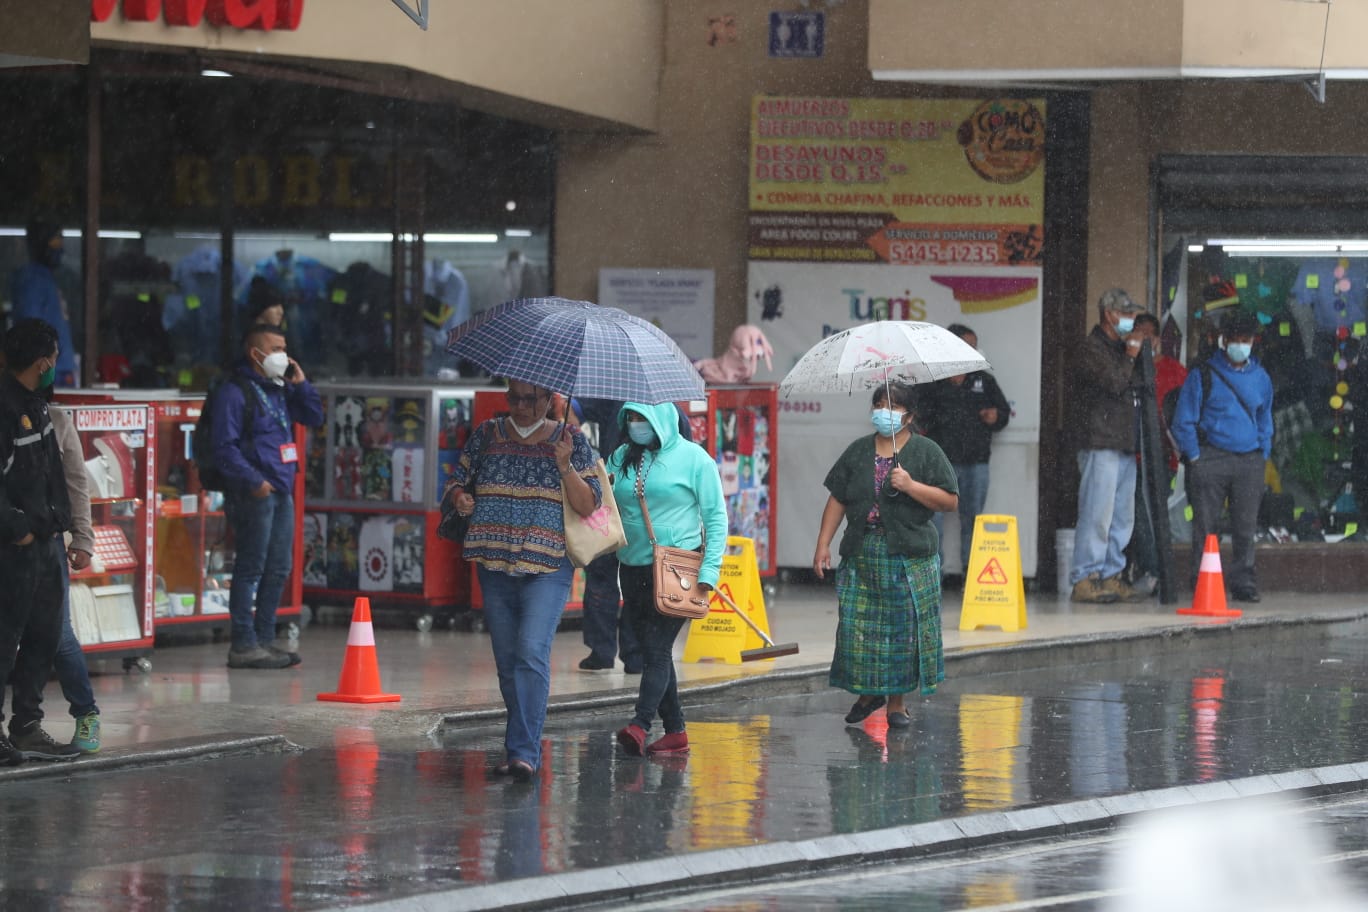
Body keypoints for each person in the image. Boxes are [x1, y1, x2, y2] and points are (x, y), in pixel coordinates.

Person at [445, 380, 602, 781]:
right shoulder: (487, 435)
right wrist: (460, 497)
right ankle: (522, 744)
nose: (520, 407)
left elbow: (589, 504)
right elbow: (456, 481)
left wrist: (565, 465)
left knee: (531, 651)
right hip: (492, 561)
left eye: (530, 400)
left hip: (548, 564)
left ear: (549, 400)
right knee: (506, 662)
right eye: (513, 398)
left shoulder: (571, 440)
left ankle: (523, 753)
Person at [811, 382, 959, 730]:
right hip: (863, 551)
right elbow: (838, 498)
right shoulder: (858, 451)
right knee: (858, 627)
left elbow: (950, 500)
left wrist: (911, 486)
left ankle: (897, 704)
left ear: (909, 414)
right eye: (878, 404)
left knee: (901, 631)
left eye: (892, 406)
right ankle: (868, 693)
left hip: (909, 555)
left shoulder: (926, 451)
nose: (884, 411)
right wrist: (823, 544)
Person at [609, 401, 727, 757]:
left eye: (641, 418)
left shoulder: (695, 460)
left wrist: (709, 571)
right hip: (632, 567)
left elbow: (716, 518)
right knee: (651, 651)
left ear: (661, 419)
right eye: (629, 418)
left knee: (658, 650)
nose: (635, 425)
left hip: (678, 570)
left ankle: (640, 724)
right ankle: (675, 730)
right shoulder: (620, 456)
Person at [210, 323, 323, 669]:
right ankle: (243, 643)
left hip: (282, 489)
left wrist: (301, 386)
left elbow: (315, 416)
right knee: (251, 567)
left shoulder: (279, 389)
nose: (283, 356)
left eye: (284, 348)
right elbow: (223, 447)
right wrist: (255, 481)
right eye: (275, 349)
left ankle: (264, 639)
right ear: (255, 353)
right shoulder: (234, 392)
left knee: (279, 568)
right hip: (255, 491)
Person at [0, 318, 77, 763]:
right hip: (14, 549)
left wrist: (63, 525)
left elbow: (53, 473)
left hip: (47, 543)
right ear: (44, 360)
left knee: (44, 637)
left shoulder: (38, 403)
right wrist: (17, 527)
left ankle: (26, 725)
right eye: (54, 358)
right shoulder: (5, 408)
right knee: (4, 638)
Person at [576, 397, 697, 675]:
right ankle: (633, 654)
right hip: (634, 512)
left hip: (625, 512)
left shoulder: (611, 400)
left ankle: (605, 651)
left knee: (621, 582)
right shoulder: (673, 414)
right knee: (635, 585)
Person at [1170, 310, 1274, 602]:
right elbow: (1184, 421)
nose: (1242, 345)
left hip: (1249, 460)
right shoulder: (1203, 374)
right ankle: (1202, 581)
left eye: (1247, 340)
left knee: (1245, 527)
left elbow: (1265, 417)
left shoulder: (1261, 377)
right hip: (1210, 459)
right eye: (1236, 340)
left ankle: (1244, 583)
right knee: (1205, 527)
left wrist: (1263, 452)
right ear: (1223, 340)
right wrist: (1194, 457)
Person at [1069, 288, 1149, 604]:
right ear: (1109, 314)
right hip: (1099, 441)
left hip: (1124, 442)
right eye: (1127, 314)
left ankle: (1111, 574)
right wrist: (1130, 355)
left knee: (1121, 516)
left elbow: (1139, 385)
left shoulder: (1119, 348)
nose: (1131, 321)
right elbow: (1115, 383)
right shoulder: (1090, 349)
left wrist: (1140, 355)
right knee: (1096, 514)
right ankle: (1085, 578)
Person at [921, 324, 1010, 581]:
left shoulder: (983, 380)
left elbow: (1003, 413)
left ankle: (972, 577)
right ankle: (931, 575)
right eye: (967, 345)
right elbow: (916, 416)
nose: (973, 350)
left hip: (976, 462)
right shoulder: (932, 381)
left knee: (973, 521)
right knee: (932, 521)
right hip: (938, 464)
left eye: (974, 345)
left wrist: (995, 416)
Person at [48, 395, 102, 753]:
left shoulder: (55, 419)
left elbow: (76, 482)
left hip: (42, 540)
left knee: (57, 633)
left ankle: (86, 713)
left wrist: (82, 536)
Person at [1124, 313, 1189, 596]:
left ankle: (1154, 571)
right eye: (1138, 333)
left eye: (1148, 334)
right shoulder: (1127, 367)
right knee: (1134, 515)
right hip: (1129, 454)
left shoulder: (1176, 371)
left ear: (1158, 339)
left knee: (1152, 514)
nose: (1143, 339)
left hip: (1162, 456)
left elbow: (1183, 414)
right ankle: (1148, 570)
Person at [9, 221, 77, 387]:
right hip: (48, 371)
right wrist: (42, 371)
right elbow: (31, 332)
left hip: (58, 368)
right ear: (40, 244)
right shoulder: (32, 280)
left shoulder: (45, 277)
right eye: (55, 242)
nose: (60, 249)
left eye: (60, 242)